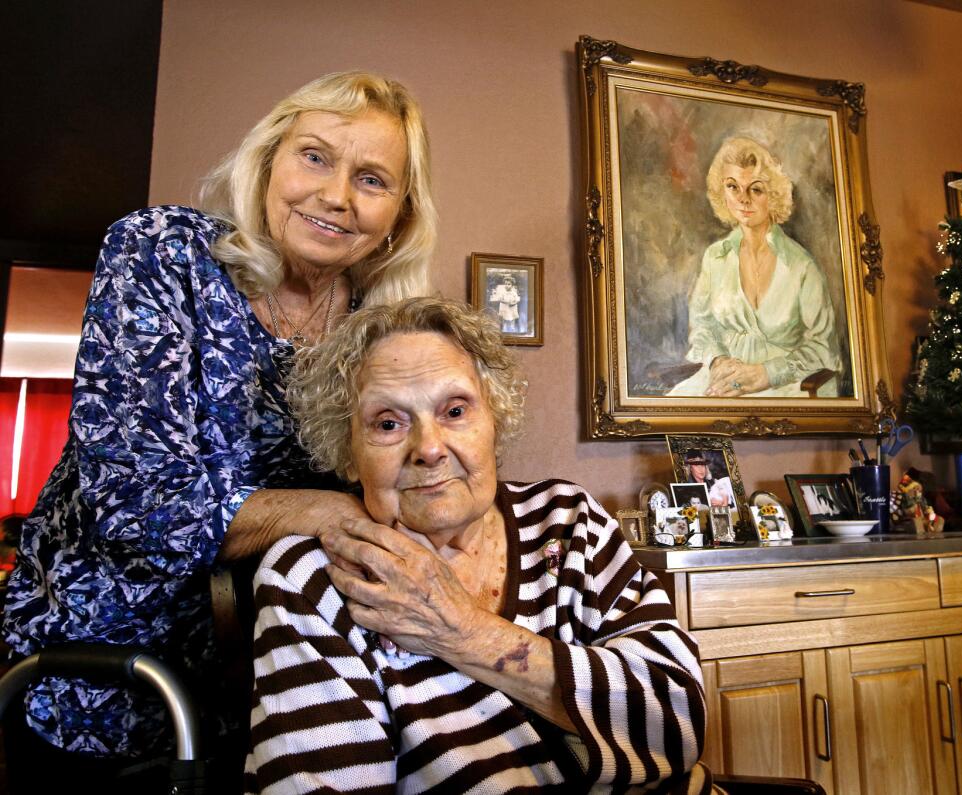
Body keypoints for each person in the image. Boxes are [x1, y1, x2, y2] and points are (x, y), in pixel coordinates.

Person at [1, 71, 436, 786]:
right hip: (96, 684)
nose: (336, 195)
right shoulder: (162, 254)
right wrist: (331, 510)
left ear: (399, 215)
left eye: (372, 178)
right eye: (316, 157)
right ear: (269, 161)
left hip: (273, 690)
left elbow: (413, 491)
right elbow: (144, 510)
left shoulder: (381, 332)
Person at [245, 298, 707, 793]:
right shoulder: (315, 581)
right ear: (348, 452)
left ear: (495, 422)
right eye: (387, 423)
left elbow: (678, 722)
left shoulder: (567, 520)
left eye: (455, 410)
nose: (428, 448)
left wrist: (463, 631)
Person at [668, 136, 842, 398]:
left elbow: (824, 348)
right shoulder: (715, 258)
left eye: (756, 189)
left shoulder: (801, 265)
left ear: (772, 195)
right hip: (726, 379)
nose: (743, 199)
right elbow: (702, 327)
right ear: (721, 192)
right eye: (732, 187)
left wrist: (766, 374)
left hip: (787, 383)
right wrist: (717, 361)